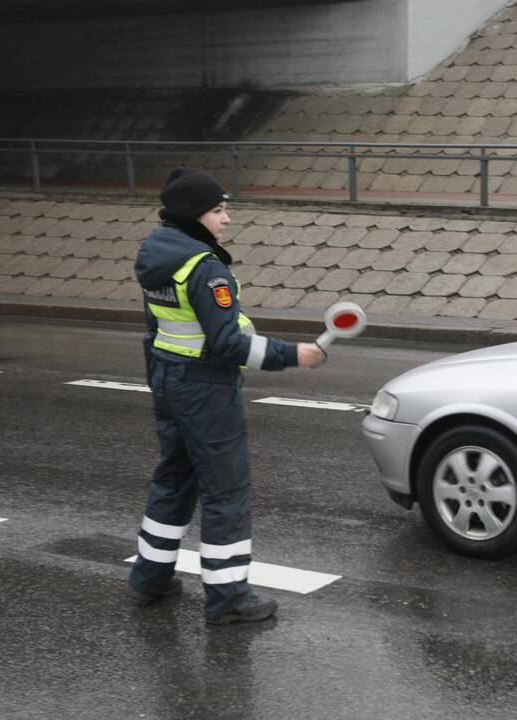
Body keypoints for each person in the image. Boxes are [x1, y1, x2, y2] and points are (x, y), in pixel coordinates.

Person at [128, 168, 326, 625]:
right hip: (206, 389)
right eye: (218, 211)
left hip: (169, 382)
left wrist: (159, 383)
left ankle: (150, 579)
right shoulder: (204, 267)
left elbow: (156, 331)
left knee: (173, 480)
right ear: (195, 216)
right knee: (226, 492)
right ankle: (228, 598)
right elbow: (228, 344)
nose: (226, 219)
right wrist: (293, 355)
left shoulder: (156, 253)